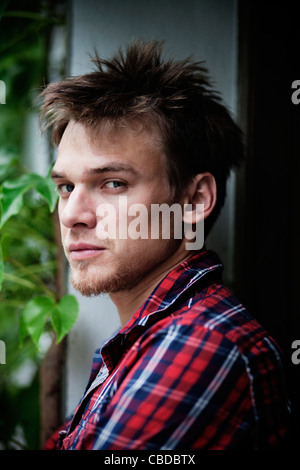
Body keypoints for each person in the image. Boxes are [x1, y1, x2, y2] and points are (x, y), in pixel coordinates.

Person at [39, 40, 290, 450]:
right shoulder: (137, 343)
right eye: (66, 186)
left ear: (194, 201)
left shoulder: (203, 345)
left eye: (113, 183)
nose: (71, 215)